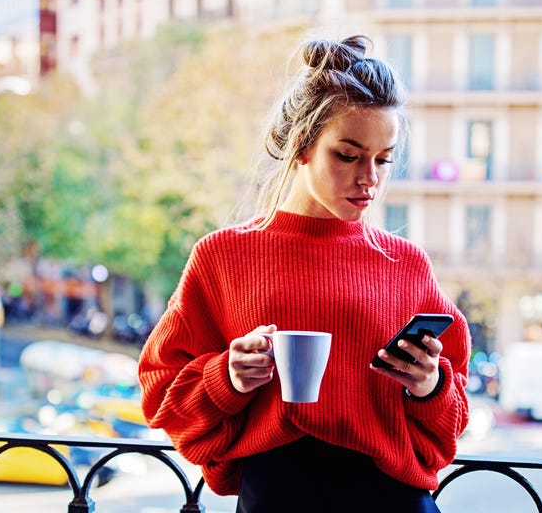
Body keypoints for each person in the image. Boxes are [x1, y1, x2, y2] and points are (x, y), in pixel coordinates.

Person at [138, 35, 471, 513]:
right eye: (349, 155)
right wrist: (228, 376)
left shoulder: (406, 264)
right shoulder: (223, 256)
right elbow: (162, 394)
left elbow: (453, 418)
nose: (369, 178)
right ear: (302, 146)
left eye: (383, 158)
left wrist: (429, 385)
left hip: (393, 500)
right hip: (277, 495)